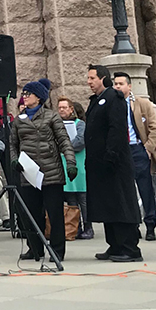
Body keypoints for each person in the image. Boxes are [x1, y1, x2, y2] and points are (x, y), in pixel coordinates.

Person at [12, 79, 76, 263]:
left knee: (54, 214)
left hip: (51, 172)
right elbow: (13, 144)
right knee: (31, 213)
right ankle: (35, 248)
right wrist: (14, 160)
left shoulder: (51, 117)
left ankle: (56, 250)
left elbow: (64, 140)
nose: (24, 97)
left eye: (28, 94)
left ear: (38, 97)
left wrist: (70, 162)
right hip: (29, 173)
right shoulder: (19, 120)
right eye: (23, 94)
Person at [85, 64, 142, 262]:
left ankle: (130, 247)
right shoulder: (96, 101)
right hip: (100, 164)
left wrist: (111, 155)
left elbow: (116, 129)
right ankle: (115, 245)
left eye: (92, 78)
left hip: (114, 164)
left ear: (102, 78)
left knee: (121, 204)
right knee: (107, 206)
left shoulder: (114, 98)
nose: (89, 82)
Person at [112, 72, 156, 241]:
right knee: (126, 190)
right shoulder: (113, 105)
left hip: (138, 149)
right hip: (121, 151)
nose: (118, 86)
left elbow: (155, 128)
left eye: (121, 83)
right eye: (115, 84)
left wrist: (147, 148)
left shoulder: (142, 104)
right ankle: (132, 225)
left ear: (129, 86)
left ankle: (150, 224)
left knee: (145, 188)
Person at [58, 97, 90, 240]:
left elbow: (80, 141)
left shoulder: (80, 124)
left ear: (71, 109)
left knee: (82, 198)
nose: (62, 110)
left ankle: (88, 227)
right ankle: (75, 227)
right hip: (64, 164)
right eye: (59, 108)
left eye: (64, 107)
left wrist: (64, 147)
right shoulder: (57, 124)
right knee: (71, 198)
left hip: (78, 163)